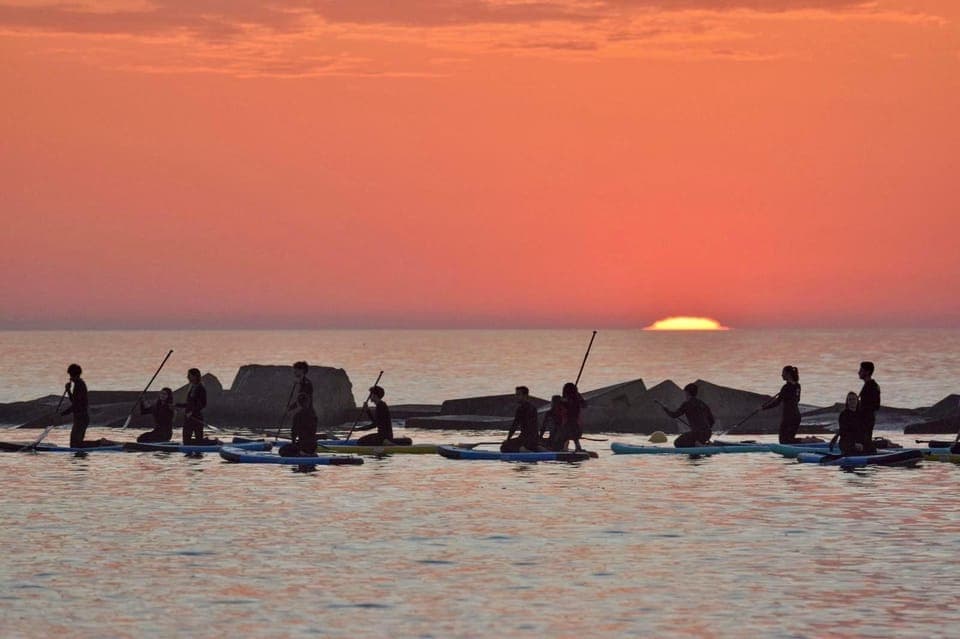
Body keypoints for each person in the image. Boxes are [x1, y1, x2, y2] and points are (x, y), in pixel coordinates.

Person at [60, 363, 102, 448]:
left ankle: (100, 443)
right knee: (75, 444)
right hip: (79, 418)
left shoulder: (80, 385)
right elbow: (74, 401)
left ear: (75, 375)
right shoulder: (77, 385)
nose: (70, 378)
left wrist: (63, 414)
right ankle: (99, 444)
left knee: (75, 444)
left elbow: (76, 404)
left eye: (71, 375)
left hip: (81, 418)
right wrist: (68, 391)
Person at [660, 383, 715, 448]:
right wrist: (703, 429)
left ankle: (698, 444)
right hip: (708, 434)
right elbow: (712, 421)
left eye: (685, 393)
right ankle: (702, 443)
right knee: (695, 436)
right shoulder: (703, 404)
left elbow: (674, 415)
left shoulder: (687, 404)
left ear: (687, 393)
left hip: (697, 434)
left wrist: (665, 409)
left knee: (677, 443)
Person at [761, 365, 803, 444]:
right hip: (796, 416)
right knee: (789, 440)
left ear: (788, 374)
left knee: (784, 441)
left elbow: (777, 402)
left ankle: (808, 440)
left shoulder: (786, 387)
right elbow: (797, 400)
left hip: (789, 417)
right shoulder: (797, 386)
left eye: (783, 373)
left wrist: (764, 408)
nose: (782, 375)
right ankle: (807, 441)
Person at [176, 368, 212, 444]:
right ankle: (206, 441)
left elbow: (203, 404)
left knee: (199, 440)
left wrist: (192, 412)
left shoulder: (201, 388)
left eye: (189, 375)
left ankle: (214, 442)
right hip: (188, 418)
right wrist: (177, 405)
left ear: (195, 376)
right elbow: (189, 404)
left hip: (196, 418)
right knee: (186, 441)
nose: (187, 377)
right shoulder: (192, 387)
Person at [501, 386, 541, 453]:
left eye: (518, 395)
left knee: (504, 447)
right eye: (516, 395)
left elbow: (514, 426)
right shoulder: (533, 407)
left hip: (527, 439)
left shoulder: (521, 409)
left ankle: (524, 450)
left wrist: (508, 440)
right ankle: (536, 448)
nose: (516, 397)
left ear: (525, 396)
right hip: (534, 439)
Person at [857, 361, 881, 453]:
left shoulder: (871, 386)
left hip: (866, 420)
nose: (858, 372)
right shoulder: (870, 385)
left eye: (861, 370)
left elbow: (874, 405)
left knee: (865, 442)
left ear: (867, 372)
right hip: (867, 419)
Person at [557, 382, 586, 452]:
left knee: (567, 436)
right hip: (574, 423)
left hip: (570, 422)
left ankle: (566, 449)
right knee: (572, 437)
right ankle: (576, 447)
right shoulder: (575, 398)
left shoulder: (571, 399)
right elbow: (584, 404)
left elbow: (583, 405)